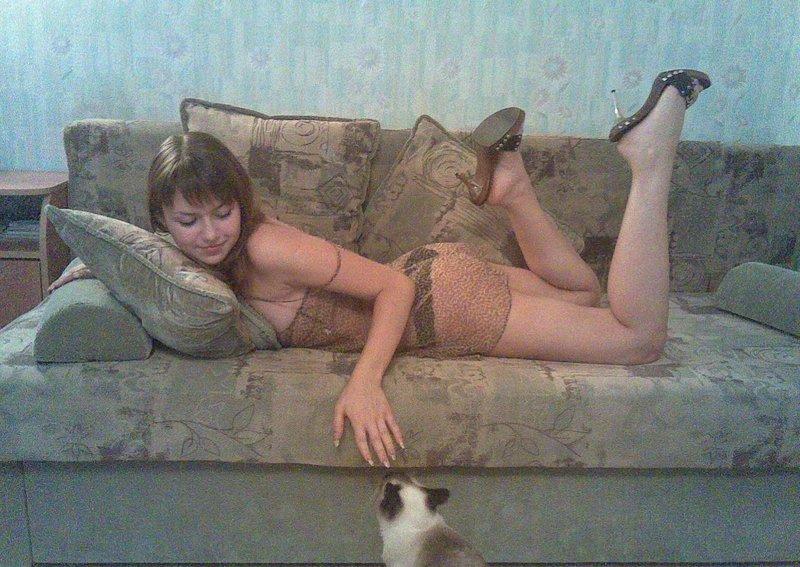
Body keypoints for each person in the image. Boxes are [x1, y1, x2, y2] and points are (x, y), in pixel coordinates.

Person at [49, 69, 710, 468]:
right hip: (437, 276)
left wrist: (364, 382)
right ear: (162, 222)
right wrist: (82, 272)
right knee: (585, 291)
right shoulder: (178, 255)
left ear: (240, 203)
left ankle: (650, 159)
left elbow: (390, 286)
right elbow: (127, 255)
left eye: (222, 212)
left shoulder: (265, 247)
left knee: (638, 339)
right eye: (188, 222)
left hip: (440, 304)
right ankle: (510, 187)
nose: (209, 233)